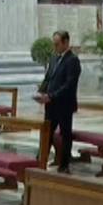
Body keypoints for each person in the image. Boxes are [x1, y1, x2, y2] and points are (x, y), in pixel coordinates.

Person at [35, 30, 81, 173]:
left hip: (64, 105)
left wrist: (52, 96)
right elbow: (49, 77)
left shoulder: (72, 60)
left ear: (66, 42)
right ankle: (40, 161)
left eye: (57, 44)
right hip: (51, 104)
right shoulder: (54, 58)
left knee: (65, 135)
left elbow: (69, 85)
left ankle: (64, 165)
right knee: (47, 134)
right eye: (54, 44)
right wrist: (41, 91)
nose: (55, 47)